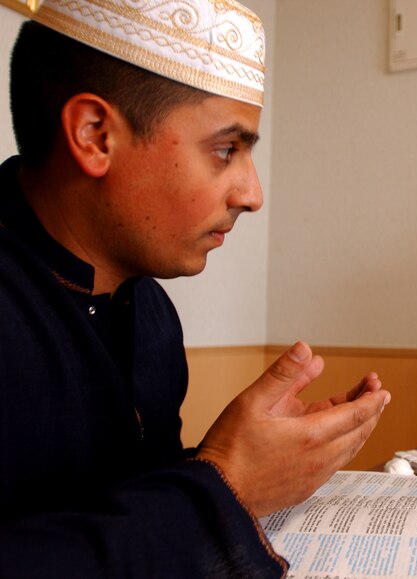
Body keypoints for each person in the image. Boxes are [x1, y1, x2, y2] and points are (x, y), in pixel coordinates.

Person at [0, 0, 391, 576]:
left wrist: (253, 458)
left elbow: (116, 500)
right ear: (94, 135)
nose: (252, 194)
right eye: (226, 149)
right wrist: (226, 486)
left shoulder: (151, 310)